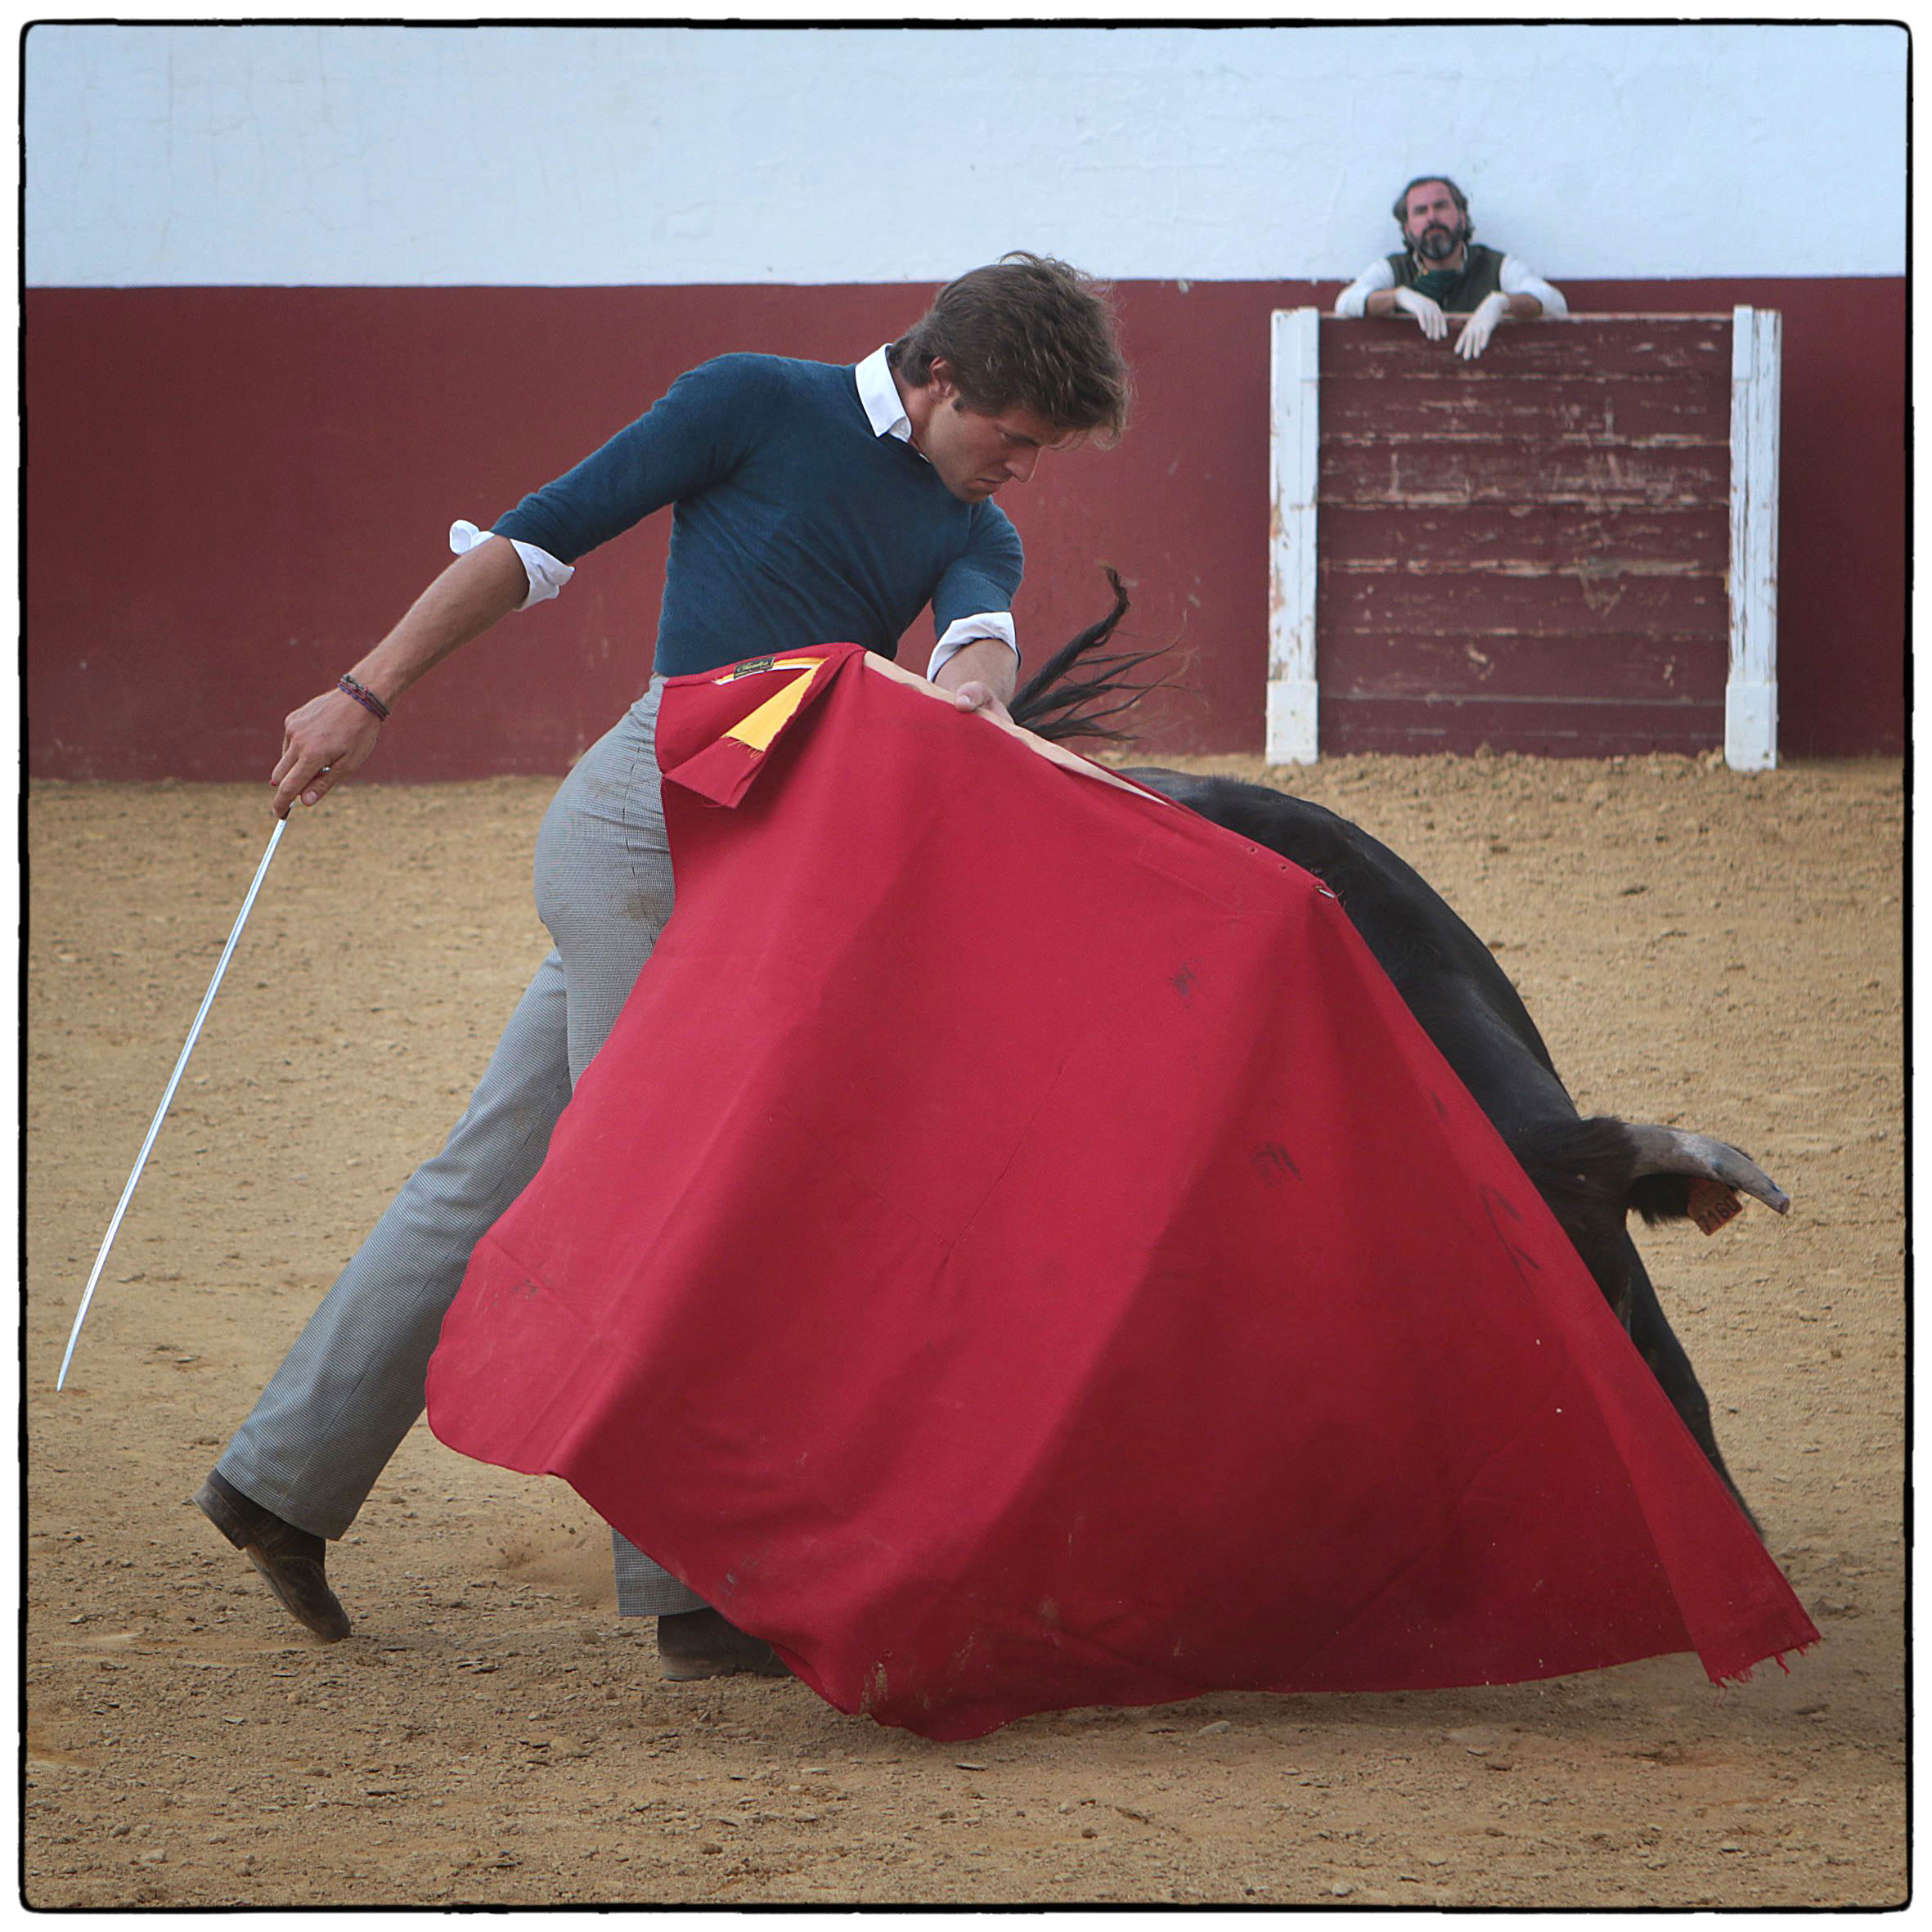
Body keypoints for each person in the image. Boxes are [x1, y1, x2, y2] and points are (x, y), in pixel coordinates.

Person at [193, 252, 1132, 1680]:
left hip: (753, 875)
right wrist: (367, 690)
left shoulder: (969, 523)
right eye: (1009, 438)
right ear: (939, 377)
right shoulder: (753, 402)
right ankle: (693, 1591)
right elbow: (536, 542)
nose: (1019, 471)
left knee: (498, 1168)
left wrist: (968, 705)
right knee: (670, 1197)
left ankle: (277, 1479)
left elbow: (977, 656)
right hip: (643, 830)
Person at [1334, 175, 1566, 360]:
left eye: (1441, 206)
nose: (1432, 217)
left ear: (1462, 218)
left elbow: (1554, 302)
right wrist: (1397, 297)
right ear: (1407, 229)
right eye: (1420, 211)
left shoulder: (1494, 264)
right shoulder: (1393, 269)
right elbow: (1345, 304)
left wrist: (1502, 302)